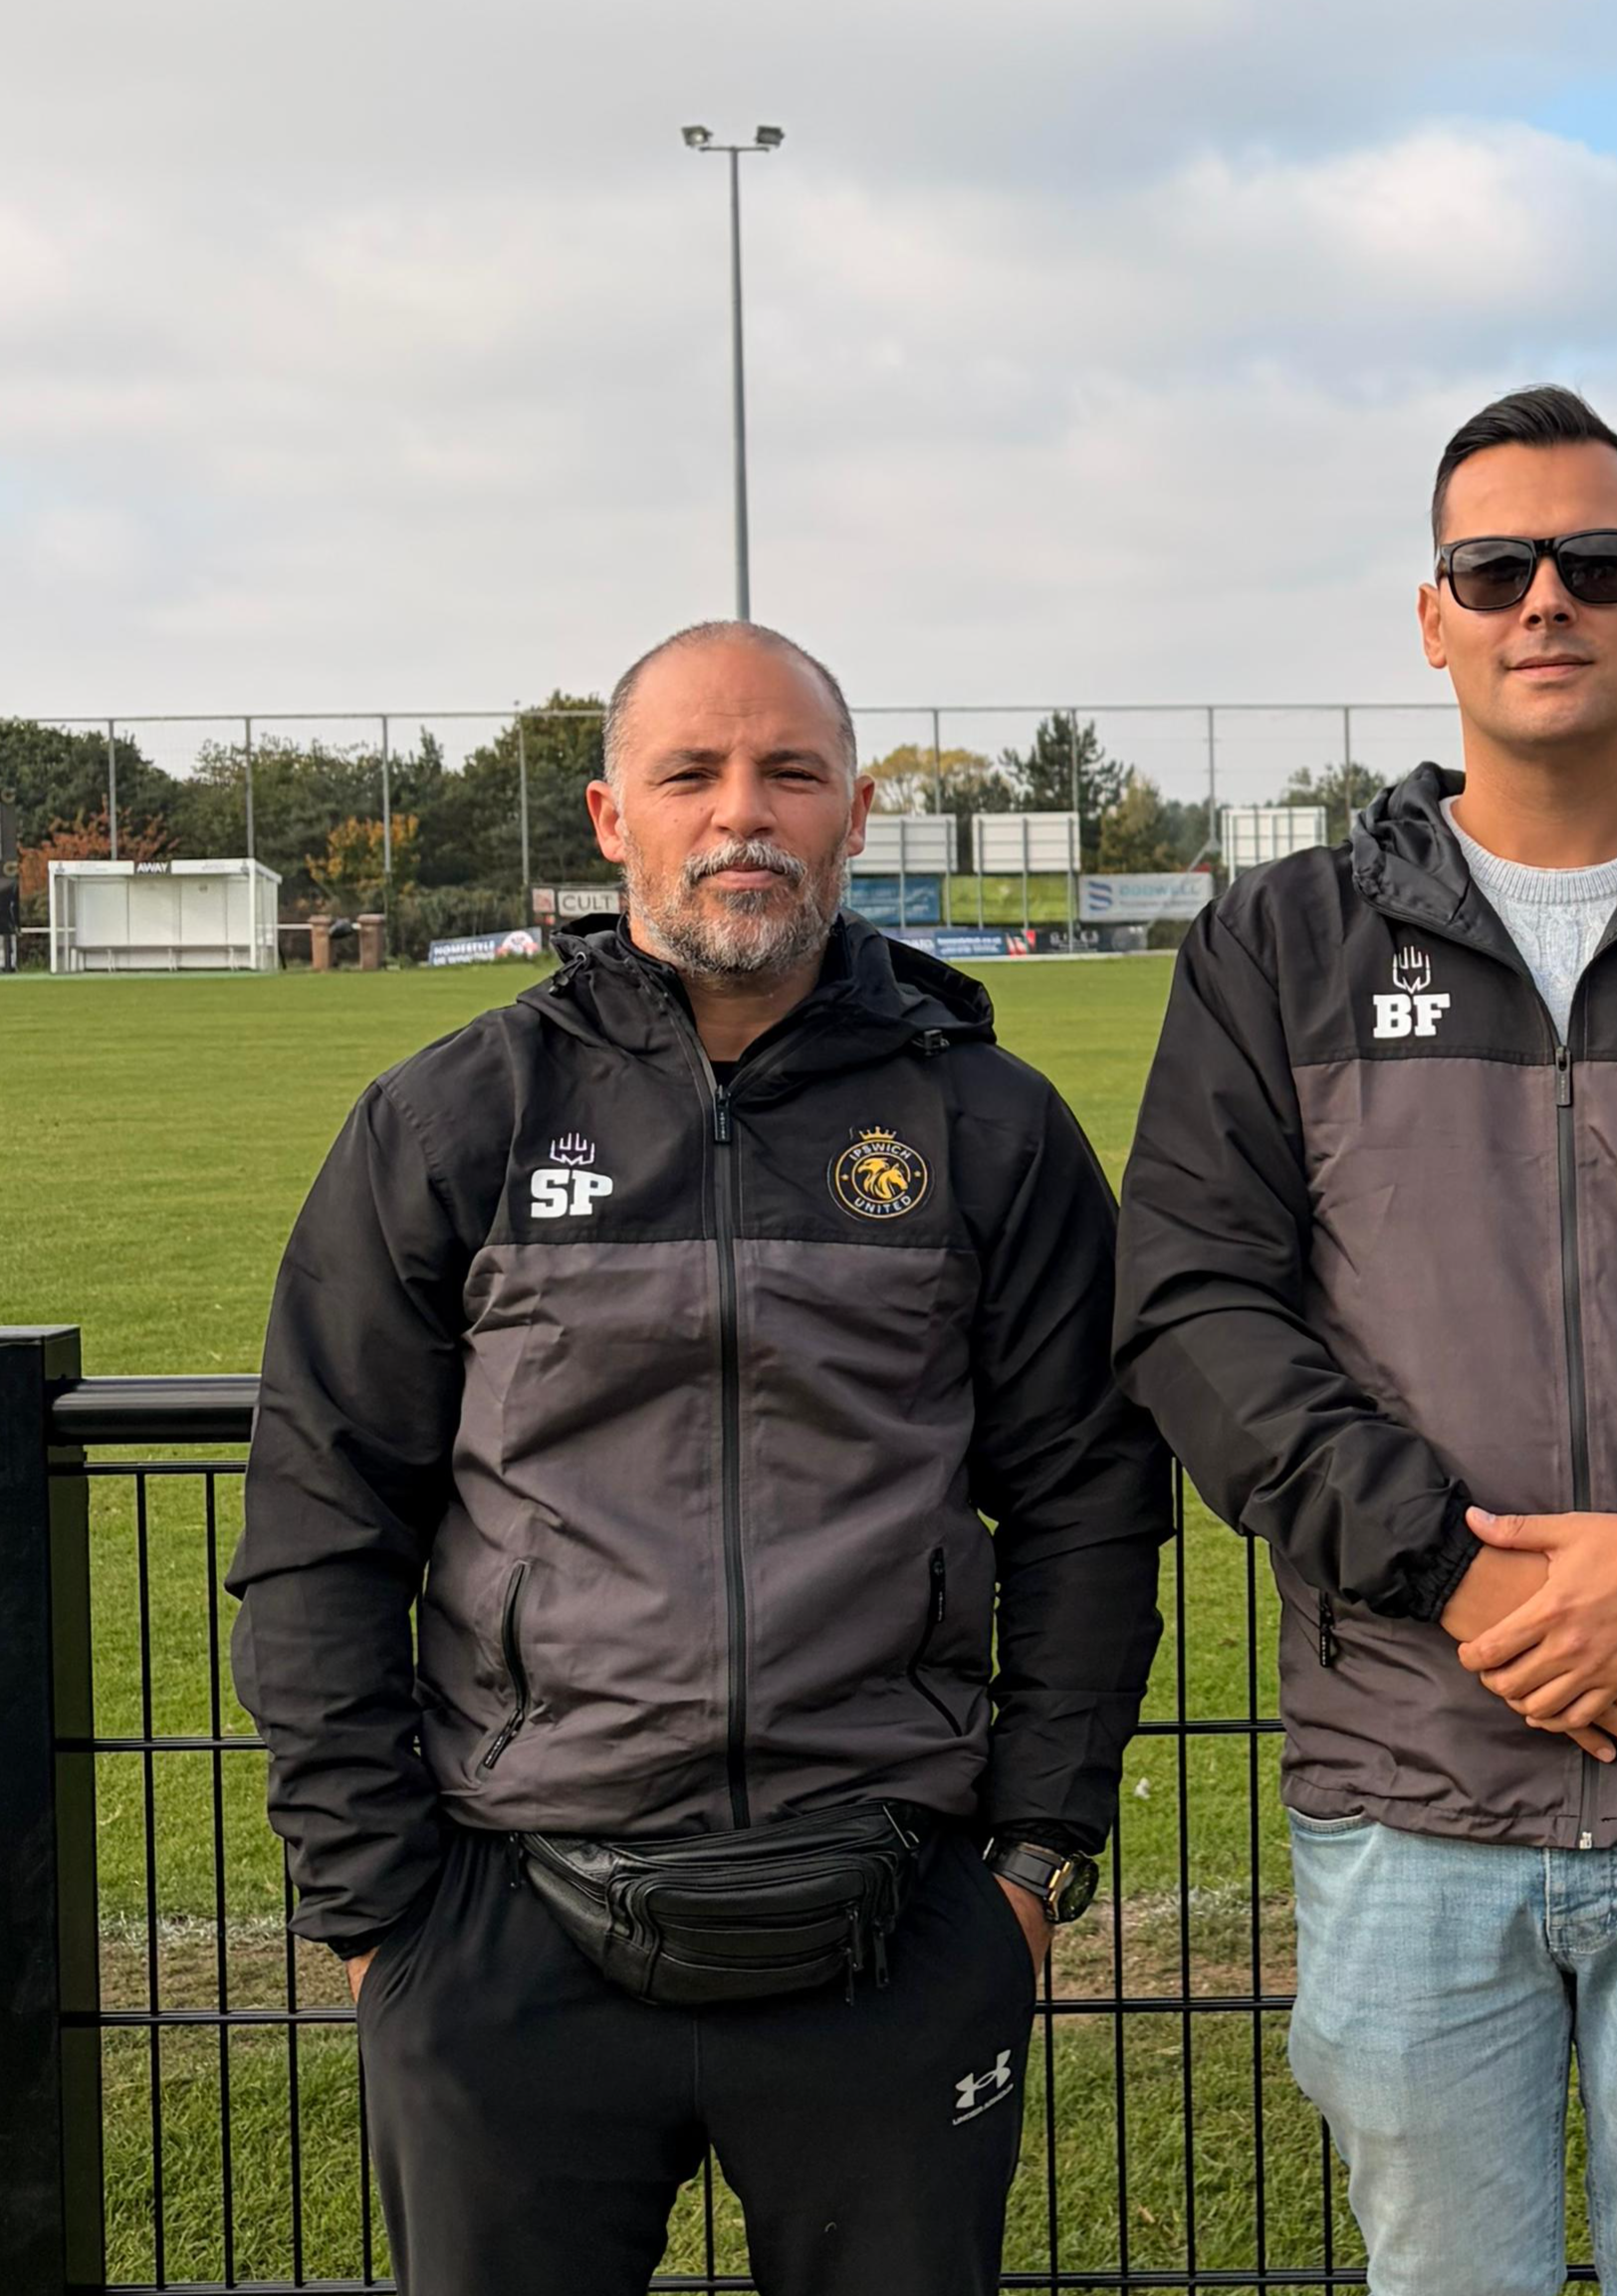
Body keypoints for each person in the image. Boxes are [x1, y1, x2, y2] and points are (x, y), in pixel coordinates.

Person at [1114, 384, 1617, 2296]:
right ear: (1434, 618)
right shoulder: (1278, 946)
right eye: (1494, 567)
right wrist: (1461, 1578)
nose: (1543, 598)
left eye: (1595, 561)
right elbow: (1195, 1303)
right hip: (1415, 1772)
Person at [230, 620, 1175, 2296]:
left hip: (891, 1925)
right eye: (692, 772)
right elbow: (322, 1517)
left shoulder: (990, 1125)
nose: (744, 810)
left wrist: (1026, 1869)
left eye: (790, 772)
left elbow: (1089, 1502)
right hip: (508, 1927)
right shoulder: (457, 1118)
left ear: (855, 812)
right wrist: (382, 1918)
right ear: (612, 818)